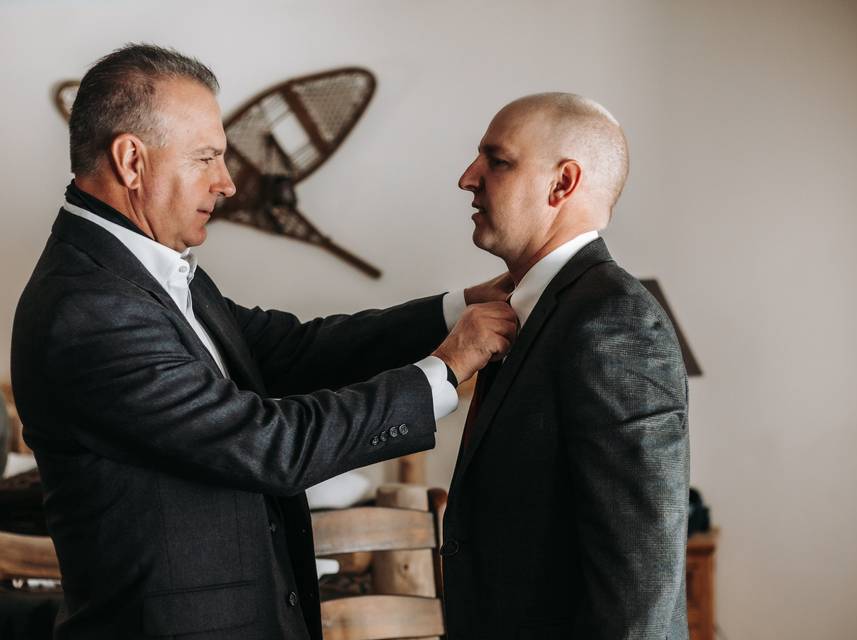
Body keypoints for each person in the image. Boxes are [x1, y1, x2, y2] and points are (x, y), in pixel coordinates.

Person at [10, 44, 516, 640]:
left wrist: (453, 308)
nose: (226, 183)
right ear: (131, 160)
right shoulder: (88, 308)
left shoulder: (150, 269)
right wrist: (448, 367)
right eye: (207, 158)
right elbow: (269, 446)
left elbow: (291, 351)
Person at [440, 93, 690, 639]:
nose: (467, 177)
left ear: (562, 183)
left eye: (496, 160)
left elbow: (641, 569)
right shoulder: (536, 310)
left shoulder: (614, 318)